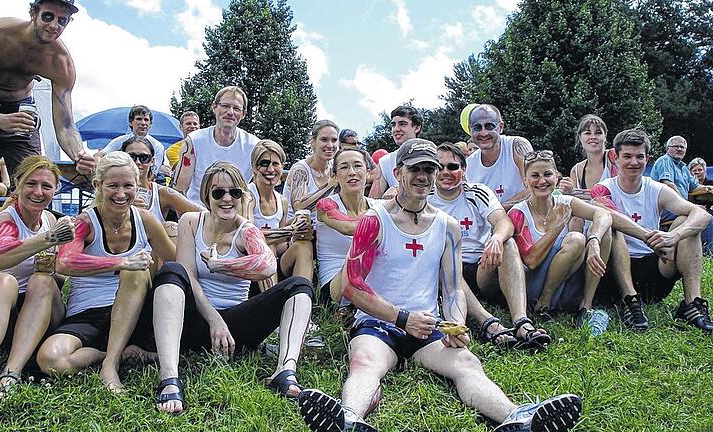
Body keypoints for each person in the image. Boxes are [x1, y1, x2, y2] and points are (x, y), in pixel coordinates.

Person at [298, 139, 582, 432]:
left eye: (429, 169)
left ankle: (518, 418)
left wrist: (456, 324)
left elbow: (453, 288)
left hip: (427, 327)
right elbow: (352, 287)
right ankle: (349, 419)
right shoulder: (375, 220)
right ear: (398, 173)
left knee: (467, 365)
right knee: (364, 363)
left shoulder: (447, 225)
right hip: (379, 322)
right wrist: (401, 318)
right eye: (415, 169)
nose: (423, 176)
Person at [151, 162, 314, 414]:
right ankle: (169, 377)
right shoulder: (190, 222)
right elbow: (188, 277)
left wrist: (221, 265)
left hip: (236, 329)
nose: (227, 199)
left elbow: (267, 265)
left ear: (242, 196)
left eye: (234, 193)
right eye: (218, 193)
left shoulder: (246, 230)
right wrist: (214, 320)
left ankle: (286, 370)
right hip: (196, 320)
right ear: (207, 195)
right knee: (172, 272)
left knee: (299, 285)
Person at [0, 0, 96, 254]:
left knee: (35, 184)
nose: (54, 25)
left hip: (20, 114)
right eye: (49, 16)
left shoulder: (60, 61)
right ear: (33, 13)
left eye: (62, 21)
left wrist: (79, 154)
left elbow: (65, 124)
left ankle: (28, 254)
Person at [36, 152, 176, 391]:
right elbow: (65, 262)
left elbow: (175, 263)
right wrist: (119, 263)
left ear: (137, 185)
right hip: (89, 313)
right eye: (113, 186)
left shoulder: (146, 220)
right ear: (98, 185)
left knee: (137, 270)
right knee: (50, 359)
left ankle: (109, 365)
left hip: (136, 313)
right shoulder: (85, 223)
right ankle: (118, 354)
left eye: (128, 186)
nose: (121, 194)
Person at [0, 156, 75, 415]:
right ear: (17, 185)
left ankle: (11, 373)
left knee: (43, 280)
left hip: (37, 315)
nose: (38, 192)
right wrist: (48, 240)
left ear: (55, 190)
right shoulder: (7, 221)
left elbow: (59, 277)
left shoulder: (51, 220)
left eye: (46, 186)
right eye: (31, 184)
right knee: (5, 281)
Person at [591, 129, 713, 333]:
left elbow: (703, 215)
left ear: (647, 159)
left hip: (654, 268)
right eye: (627, 156)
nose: (634, 162)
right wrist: (648, 237)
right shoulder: (603, 188)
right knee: (612, 227)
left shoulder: (655, 188)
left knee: (686, 221)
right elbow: (608, 213)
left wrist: (673, 236)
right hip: (616, 271)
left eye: (639, 157)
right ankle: (631, 301)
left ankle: (692, 304)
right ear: (615, 158)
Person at [430, 143, 547, 349]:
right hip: (447, 270)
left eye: (453, 167)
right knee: (439, 256)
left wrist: (495, 239)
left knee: (508, 243)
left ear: (464, 171)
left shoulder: (478, 192)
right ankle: (488, 323)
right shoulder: (426, 198)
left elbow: (504, 222)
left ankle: (522, 321)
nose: (446, 172)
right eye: (439, 167)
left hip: (481, 266)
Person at [508, 150, 617, 331]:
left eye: (547, 174)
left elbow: (604, 214)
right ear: (525, 181)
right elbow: (531, 260)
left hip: (565, 281)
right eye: (535, 176)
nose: (542, 181)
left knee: (602, 231)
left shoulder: (565, 201)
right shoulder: (518, 212)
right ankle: (544, 302)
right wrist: (558, 225)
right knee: (575, 239)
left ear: (556, 176)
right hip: (534, 286)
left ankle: (585, 306)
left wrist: (594, 239)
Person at [245, 139, 314, 290]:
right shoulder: (248, 196)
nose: (270, 169)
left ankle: (302, 298)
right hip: (247, 264)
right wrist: (290, 230)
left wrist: (298, 233)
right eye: (264, 164)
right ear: (255, 168)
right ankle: (271, 303)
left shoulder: (281, 200)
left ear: (282, 167)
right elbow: (248, 237)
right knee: (265, 245)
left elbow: (281, 243)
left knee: (304, 246)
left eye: (275, 164)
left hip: (274, 263)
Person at [173, 86, 260, 203]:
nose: (230, 112)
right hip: (198, 212)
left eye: (236, 108)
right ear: (214, 107)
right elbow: (179, 190)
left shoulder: (254, 146)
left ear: (243, 114)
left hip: (237, 214)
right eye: (225, 106)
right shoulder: (194, 141)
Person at [316, 148, 380, 306]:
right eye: (344, 167)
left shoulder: (379, 207)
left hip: (372, 284)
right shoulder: (326, 204)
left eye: (357, 166)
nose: (352, 172)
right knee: (365, 240)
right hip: (334, 290)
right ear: (335, 176)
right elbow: (347, 227)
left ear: (368, 172)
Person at [120, 136, 204, 241]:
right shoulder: (111, 192)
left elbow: (203, 215)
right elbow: (95, 218)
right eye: (131, 157)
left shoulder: (161, 193)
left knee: (171, 228)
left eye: (144, 158)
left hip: (155, 253)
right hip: (119, 251)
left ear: (152, 161)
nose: (137, 162)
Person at [464, 104, 533, 210]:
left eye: (489, 126)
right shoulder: (468, 165)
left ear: (500, 127)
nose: (483, 133)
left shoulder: (516, 146)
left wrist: (498, 211)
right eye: (477, 128)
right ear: (470, 129)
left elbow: (533, 186)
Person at [283, 120, 339, 222]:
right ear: (312, 141)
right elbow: (299, 208)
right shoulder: (301, 170)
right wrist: (329, 187)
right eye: (324, 139)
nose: (330, 145)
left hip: (325, 228)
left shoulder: (334, 168)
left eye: (334, 140)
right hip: (299, 231)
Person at [97, 105, 170, 176]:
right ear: (130, 122)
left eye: (146, 120)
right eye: (139, 119)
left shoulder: (157, 146)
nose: (143, 123)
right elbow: (102, 154)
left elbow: (153, 173)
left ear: (150, 124)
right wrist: (97, 159)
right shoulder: (118, 141)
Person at [369, 106, 422, 198]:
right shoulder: (385, 161)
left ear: (417, 128)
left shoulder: (434, 156)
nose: (396, 129)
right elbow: (372, 202)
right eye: (393, 125)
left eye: (402, 124)